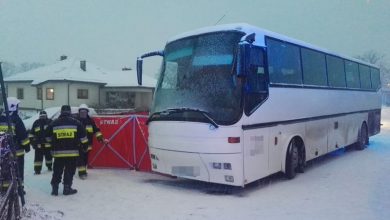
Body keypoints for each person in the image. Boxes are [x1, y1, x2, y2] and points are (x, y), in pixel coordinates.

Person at [46, 105, 88, 196]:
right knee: (69, 171)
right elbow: (83, 138)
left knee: (57, 170)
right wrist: (85, 147)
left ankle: (55, 189)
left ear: (61, 112)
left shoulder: (54, 123)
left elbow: (47, 137)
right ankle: (67, 188)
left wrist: (51, 146)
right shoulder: (76, 123)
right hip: (72, 153)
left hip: (58, 153)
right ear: (70, 112)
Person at [0, 97, 30, 193]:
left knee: (5, 171)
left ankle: (5, 188)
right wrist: (27, 146)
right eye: (17, 106)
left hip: (3, 153)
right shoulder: (16, 120)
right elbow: (23, 136)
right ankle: (19, 189)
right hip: (17, 153)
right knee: (18, 171)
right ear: (13, 107)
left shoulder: (1, 118)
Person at [76, 104, 104, 179]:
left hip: (88, 144)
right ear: (79, 112)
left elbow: (96, 130)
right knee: (80, 158)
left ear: (87, 112)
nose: (83, 113)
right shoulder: (76, 121)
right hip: (78, 144)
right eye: (81, 112)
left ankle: (84, 170)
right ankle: (81, 173)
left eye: (84, 112)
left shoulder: (91, 121)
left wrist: (100, 138)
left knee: (85, 158)